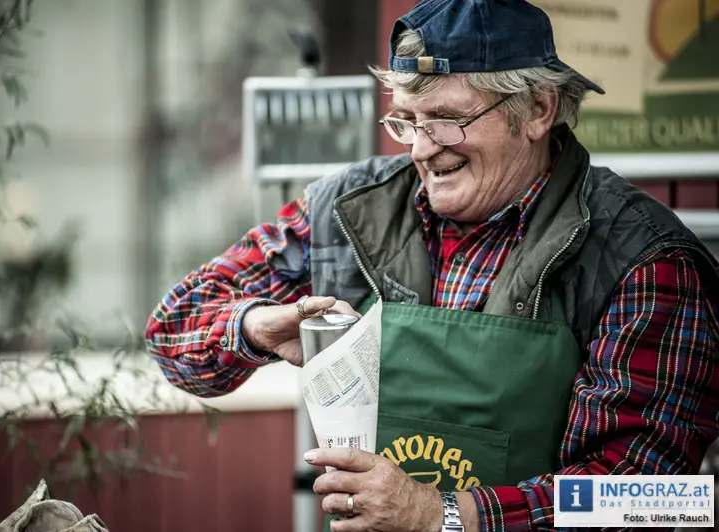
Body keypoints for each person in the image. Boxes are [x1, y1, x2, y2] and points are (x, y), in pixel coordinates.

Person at [144, 0, 719, 530]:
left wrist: (441, 514)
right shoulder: (348, 212)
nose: (419, 149)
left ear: (539, 109)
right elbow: (173, 334)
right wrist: (253, 328)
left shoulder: (644, 261)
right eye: (407, 121)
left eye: (446, 118)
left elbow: (647, 500)